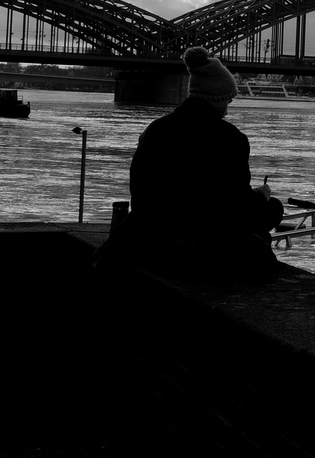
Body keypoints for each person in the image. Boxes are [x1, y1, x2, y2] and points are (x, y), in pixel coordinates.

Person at [97, 46, 283, 282]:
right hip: (196, 244)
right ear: (217, 98)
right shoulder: (230, 138)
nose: (228, 109)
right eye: (228, 100)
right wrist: (261, 197)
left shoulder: (156, 130)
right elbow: (235, 208)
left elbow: (142, 194)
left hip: (147, 237)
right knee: (273, 209)